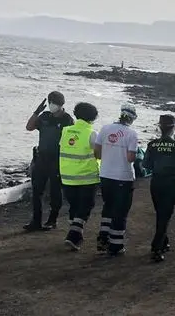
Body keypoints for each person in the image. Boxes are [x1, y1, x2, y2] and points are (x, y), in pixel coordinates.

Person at [143, 114, 175, 262]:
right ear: (174, 129)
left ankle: (163, 242)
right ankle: (156, 247)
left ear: (159, 127)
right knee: (165, 215)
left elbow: (145, 165)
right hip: (172, 182)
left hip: (156, 182)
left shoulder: (152, 145)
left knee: (161, 213)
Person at [24, 91, 73, 232]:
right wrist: (36, 112)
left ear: (61, 104)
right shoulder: (44, 117)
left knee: (55, 190)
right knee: (36, 190)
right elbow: (29, 127)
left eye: (55, 103)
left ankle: (52, 220)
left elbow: (71, 141)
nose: (52, 105)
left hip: (57, 159)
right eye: (50, 102)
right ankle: (36, 220)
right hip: (41, 158)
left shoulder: (67, 120)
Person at [95, 104, 138, 256]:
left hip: (105, 174)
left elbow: (97, 154)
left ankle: (102, 238)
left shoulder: (105, 128)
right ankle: (116, 244)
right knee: (121, 211)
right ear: (132, 118)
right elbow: (130, 158)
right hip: (123, 177)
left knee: (108, 206)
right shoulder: (131, 134)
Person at [58, 102, 101, 251]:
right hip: (87, 176)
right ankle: (72, 235)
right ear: (93, 118)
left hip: (67, 176)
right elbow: (99, 154)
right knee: (86, 205)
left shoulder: (65, 131)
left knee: (74, 206)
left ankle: (77, 234)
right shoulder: (92, 134)